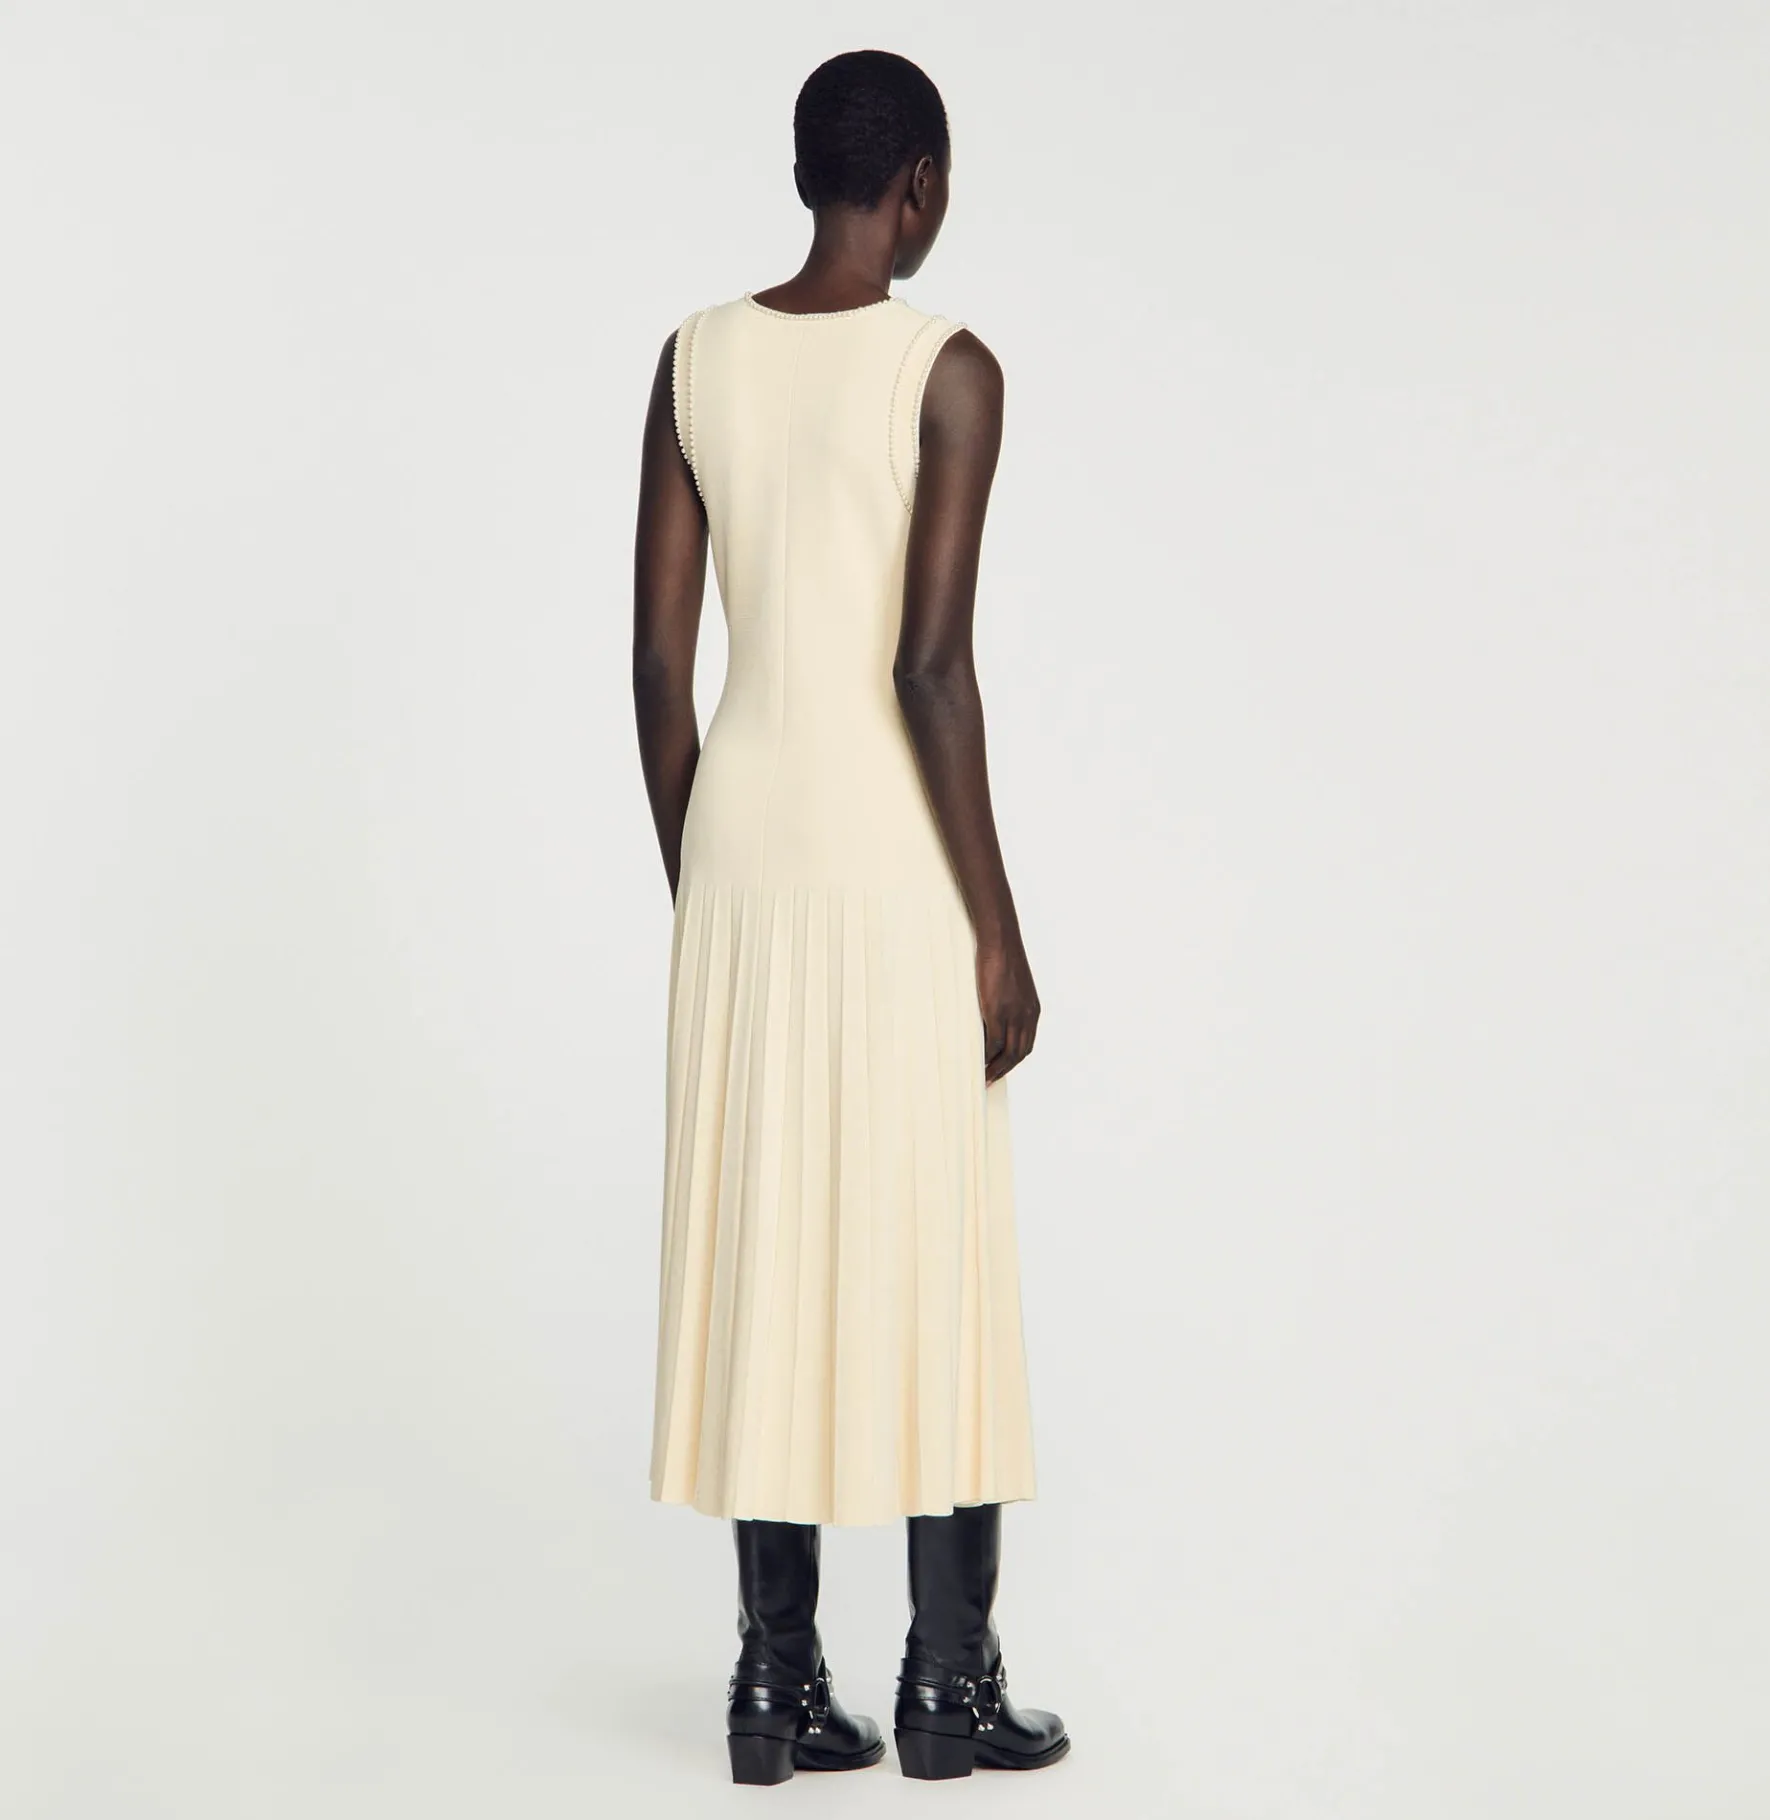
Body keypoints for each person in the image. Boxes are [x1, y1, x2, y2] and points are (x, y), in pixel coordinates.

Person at [631, 49, 1068, 1785]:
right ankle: (948, 1684)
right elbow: (929, 667)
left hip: (740, 836)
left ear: (809, 170)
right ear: (923, 186)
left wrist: (706, 877)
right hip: (892, 857)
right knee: (931, 1239)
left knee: (766, 1241)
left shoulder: (693, 358)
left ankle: (773, 1681)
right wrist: (998, 929)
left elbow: (657, 665)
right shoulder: (947, 370)